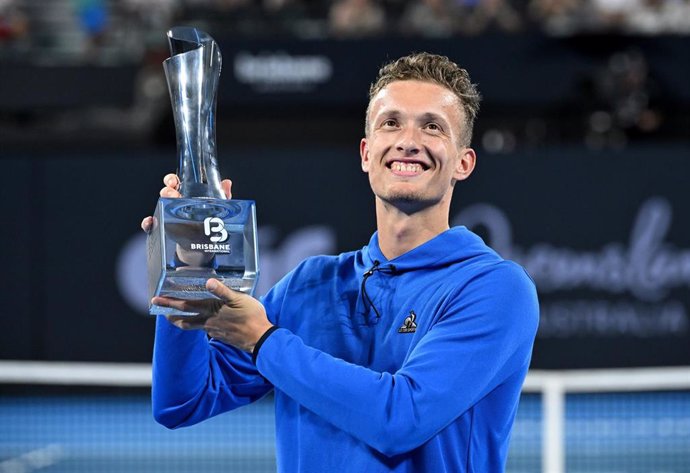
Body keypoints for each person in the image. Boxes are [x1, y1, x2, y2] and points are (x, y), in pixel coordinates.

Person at [142, 52, 539, 472]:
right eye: (391, 122)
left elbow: (401, 418)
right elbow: (182, 402)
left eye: (432, 126)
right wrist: (185, 274)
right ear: (367, 153)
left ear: (463, 162)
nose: (408, 140)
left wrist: (265, 341)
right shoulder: (309, 283)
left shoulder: (494, 289)